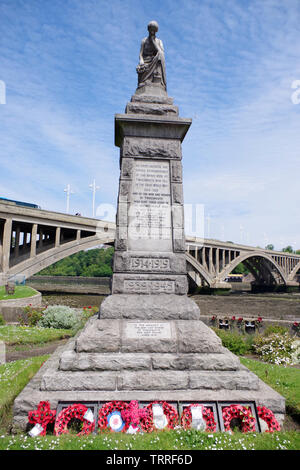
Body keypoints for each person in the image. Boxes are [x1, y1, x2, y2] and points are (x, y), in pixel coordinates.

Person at [136, 21, 167, 90]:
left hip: (155, 61)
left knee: (160, 55)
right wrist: (141, 60)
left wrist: (153, 41)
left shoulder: (159, 41)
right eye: (151, 30)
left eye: (154, 30)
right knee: (142, 66)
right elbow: (140, 54)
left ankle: (157, 79)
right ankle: (145, 81)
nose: (152, 32)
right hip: (146, 61)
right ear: (148, 30)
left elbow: (161, 52)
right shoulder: (144, 40)